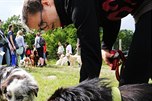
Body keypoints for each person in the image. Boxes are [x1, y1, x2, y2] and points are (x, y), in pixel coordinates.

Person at [22, 0, 152, 85]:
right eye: (41, 29)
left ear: (46, 2)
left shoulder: (74, 4)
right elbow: (112, 16)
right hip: (142, 9)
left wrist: (80, 97)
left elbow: (90, 57)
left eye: (42, 24)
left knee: (131, 83)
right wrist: (106, 47)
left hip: (145, 6)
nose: (47, 29)